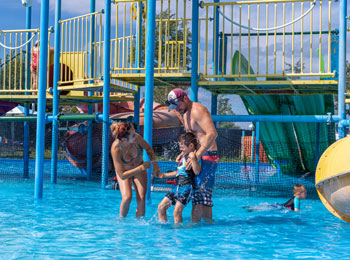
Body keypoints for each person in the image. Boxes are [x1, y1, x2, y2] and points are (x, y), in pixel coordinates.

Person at [166, 88, 219, 223]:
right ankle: (207, 226)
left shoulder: (198, 110)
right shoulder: (185, 113)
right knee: (202, 196)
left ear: (184, 98)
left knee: (199, 195)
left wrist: (197, 154)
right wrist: (184, 153)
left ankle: (193, 231)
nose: (177, 109)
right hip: (198, 156)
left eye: (177, 105)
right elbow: (192, 140)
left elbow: (212, 134)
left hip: (208, 157)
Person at [110, 121, 162, 218]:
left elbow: (149, 149)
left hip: (139, 167)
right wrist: (141, 168)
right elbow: (122, 175)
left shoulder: (137, 138)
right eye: (133, 135)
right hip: (125, 172)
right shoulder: (116, 149)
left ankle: (140, 224)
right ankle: (121, 221)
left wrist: (155, 166)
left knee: (141, 198)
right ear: (124, 140)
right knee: (127, 198)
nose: (136, 136)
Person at [157, 132, 201, 224]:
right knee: (161, 208)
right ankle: (163, 229)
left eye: (182, 147)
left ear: (191, 146)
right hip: (177, 188)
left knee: (177, 212)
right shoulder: (184, 156)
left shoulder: (194, 156)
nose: (181, 149)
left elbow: (197, 171)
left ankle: (178, 234)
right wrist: (163, 175)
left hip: (187, 188)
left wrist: (193, 159)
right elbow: (178, 172)